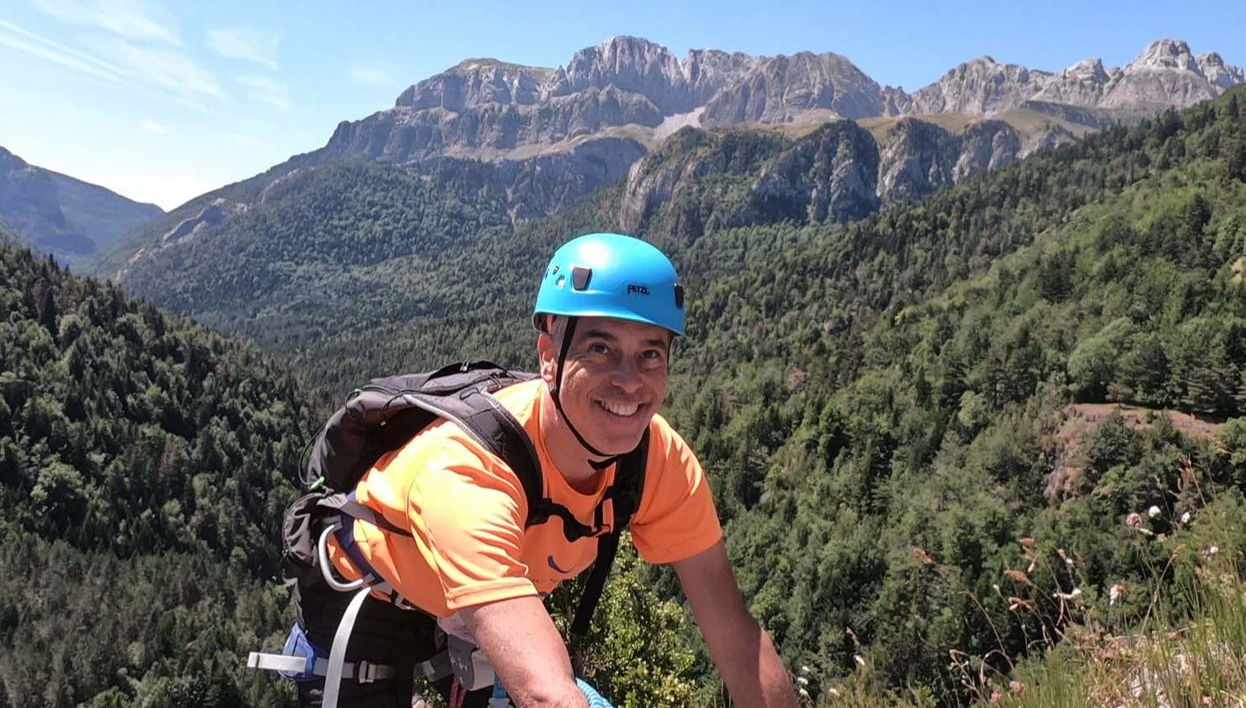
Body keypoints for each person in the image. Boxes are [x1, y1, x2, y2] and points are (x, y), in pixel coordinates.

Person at [297, 233, 796, 707]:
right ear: (549, 357)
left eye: (650, 354)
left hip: (475, 615)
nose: (629, 381)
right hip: (373, 601)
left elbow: (738, 639)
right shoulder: (469, 472)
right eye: (600, 349)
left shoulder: (657, 461)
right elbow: (547, 695)